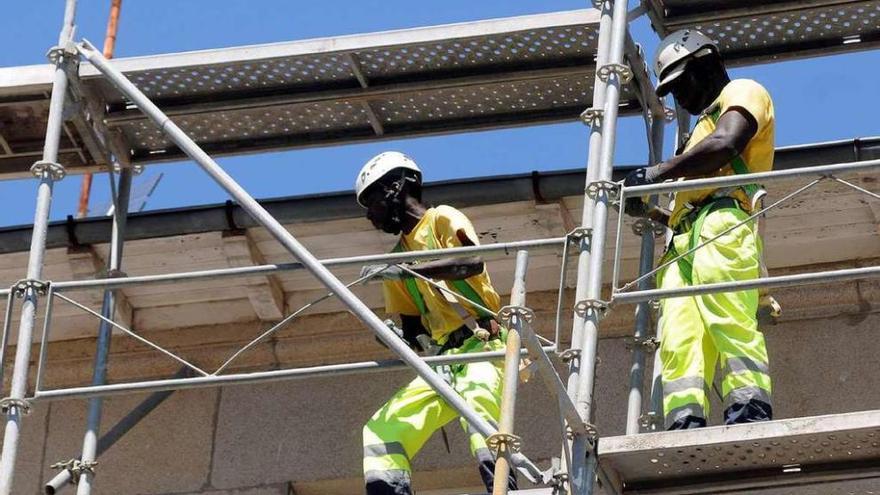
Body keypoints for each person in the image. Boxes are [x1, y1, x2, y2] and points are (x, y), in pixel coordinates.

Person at [623, 30, 774, 430]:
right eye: (670, 90)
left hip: (723, 223)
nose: (680, 98)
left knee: (729, 319)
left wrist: (657, 173)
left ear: (707, 64)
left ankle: (749, 410)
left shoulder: (742, 92)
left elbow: (726, 145)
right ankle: (685, 420)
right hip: (685, 240)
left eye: (681, 83)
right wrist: (652, 203)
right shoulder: (698, 132)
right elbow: (687, 190)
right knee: (678, 338)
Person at [355, 151, 517, 494]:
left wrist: (406, 269)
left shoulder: (442, 219)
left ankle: (503, 490)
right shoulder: (396, 258)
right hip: (443, 359)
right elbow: (415, 330)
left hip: (480, 345)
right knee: (383, 430)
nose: (370, 215)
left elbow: (470, 262)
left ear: (397, 186)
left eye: (372, 201)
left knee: (480, 418)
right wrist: (395, 336)